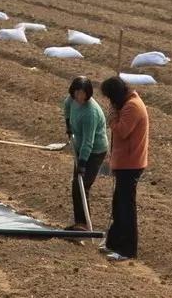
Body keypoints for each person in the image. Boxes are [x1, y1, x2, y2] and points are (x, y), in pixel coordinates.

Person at [99, 75, 149, 262]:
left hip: (130, 164)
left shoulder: (132, 107)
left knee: (126, 207)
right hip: (125, 162)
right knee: (118, 205)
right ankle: (114, 242)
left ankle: (127, 249)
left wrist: (112, 117)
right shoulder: (128, 104)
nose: (110, 103)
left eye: (111, 99)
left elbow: (122, 130)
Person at [62, 76, 108, 230]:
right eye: (77, 93)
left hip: (94, 151)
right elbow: (67, 106)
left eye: (83, 93)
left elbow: (89, 141)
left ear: (88, 93)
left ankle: (84, 225)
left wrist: (82, 163)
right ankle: (80, 223)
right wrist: (68, 124)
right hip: (80, 146)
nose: (80, 97)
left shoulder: (91, 113)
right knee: (76, 185)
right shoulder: (72, 100)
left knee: (83, 185)